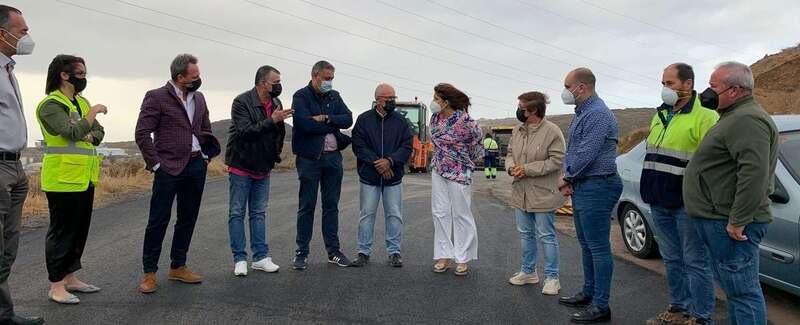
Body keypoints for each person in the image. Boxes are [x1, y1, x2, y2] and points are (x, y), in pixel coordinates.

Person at [684, 61, 778, 325]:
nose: (707, 92)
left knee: (743, 293)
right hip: (718, 218)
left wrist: (738, 219)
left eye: (714, 86)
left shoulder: (747, 120)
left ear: (735, 91)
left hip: (729, 223)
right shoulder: (734, 118)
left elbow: (754, 174)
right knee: (736, 293)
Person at [135, 54, 220, 293]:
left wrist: (205, 156)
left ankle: (178, 267)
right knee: (158, 220)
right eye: (194, 77)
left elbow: (205, 128)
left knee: (188, 218)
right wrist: (156, 164)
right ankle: (149, 273)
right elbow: (142, 133)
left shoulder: (199, 98)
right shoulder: (156, 97)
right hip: (168, 168)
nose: (198, 79)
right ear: (180, 77)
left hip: (196, 166)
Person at [641, 63, 718, 325]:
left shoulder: (705, 116)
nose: (665, 89)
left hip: (687, 203)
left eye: (670, 83)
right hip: (659, 199)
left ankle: (701, 317)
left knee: (695, 262)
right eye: (663, 84)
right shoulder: (660, 114)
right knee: (672, 258)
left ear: (688, 84)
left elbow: (713, 164)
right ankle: (678, 308)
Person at [36, 55, 106, 305]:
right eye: (80, 73)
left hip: (83, 177)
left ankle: (70, 278)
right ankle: (56, 286)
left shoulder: (80, 102)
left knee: (78, 231)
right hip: (61, 179)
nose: (83, 78)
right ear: (64, 75)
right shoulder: (51, 105)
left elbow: (98, 133)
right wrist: (93, 113)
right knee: (62, 232)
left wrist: (86, 129)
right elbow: (72, 131)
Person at [556, 68, 622, 323]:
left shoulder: (597, 114)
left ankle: (601, 305)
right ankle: (589, 292)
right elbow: (572, 150)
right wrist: (571, 176)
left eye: (567, 85)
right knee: (586, 244)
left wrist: (568, 177)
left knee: (598, 247)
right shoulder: (582, 112)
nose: (565, 91)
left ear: (581, 87)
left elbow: (587, 153)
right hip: (585, 185)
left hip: (598, 185)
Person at [225, 65, 293, 276]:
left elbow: (279, 134)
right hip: (241, 164)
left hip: (263, 166)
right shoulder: (241, 102)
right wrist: (272, 120)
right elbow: (245, 132)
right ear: (262, 82)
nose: (279, 86)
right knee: (237, 212)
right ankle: (240, 259)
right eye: (275, 82)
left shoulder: (276, 102)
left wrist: (275, 155)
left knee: (259, 212)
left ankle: (261, 257)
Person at [0, 5, 44, 325]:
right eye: (22, 30)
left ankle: (3, 312)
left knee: (8, 247)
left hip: (14, 169)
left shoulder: (8, 70)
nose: (27, 35)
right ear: (2, 34)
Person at [291, 60, 353, 270]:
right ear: (314, 76)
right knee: (307, 205)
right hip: (310, 159)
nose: (330, 82)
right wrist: (328, 124)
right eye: (327, 79)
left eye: (332, 79)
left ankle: (333, 251)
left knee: (331, 206)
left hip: (333, 158)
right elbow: (302, 124)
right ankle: (301, 252)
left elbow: (348, 119)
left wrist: (325, 118)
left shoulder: (334, 96)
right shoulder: (301, 96)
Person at [505, 91, 566, 296]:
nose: (519, 111)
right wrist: (511, 167)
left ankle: (552, 277)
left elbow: (556, 161)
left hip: (543, 194)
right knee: (525, 235)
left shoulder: (552, 131)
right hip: (520, 192)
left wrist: (528, 169)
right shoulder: (517, 130)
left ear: (534, 109)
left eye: (522, 107)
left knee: (546, 235)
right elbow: (510, 154)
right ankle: (529, 271)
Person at [349, 84, 413, 268]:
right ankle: (363, 252)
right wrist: (379, 163)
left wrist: (391, 161)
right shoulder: (363, 120)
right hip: (370, 176)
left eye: (394, 97)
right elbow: (358, 146)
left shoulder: (401, 122)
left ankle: (394, 252)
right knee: (366, 214)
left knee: (394, 214)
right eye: (389, 98)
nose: (393, 101)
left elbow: (407, 146)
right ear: (378, 100)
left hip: (393, 178)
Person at [429, 83, 483, 276]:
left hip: (460, 170)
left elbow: (477, 145)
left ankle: (463, 257)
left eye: (436, 98)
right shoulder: (435, 119)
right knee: (440, 212)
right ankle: (444, 254)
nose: (433, 102)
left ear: (446, 101)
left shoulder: (467, 121)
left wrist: (463, 158)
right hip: (439, 168)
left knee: (461, 213)